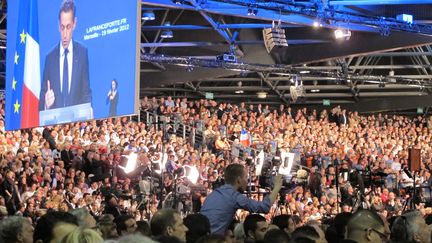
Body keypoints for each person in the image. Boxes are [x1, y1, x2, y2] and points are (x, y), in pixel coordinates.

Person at [201, 164, 283, 235]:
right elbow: (264, 207)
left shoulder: (214, 193)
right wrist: (276, 188)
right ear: (239, 180)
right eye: (246, 177)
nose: (247, 182)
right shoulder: (234, 196)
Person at [39, 0, 92, 111]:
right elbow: (42, 96)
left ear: (74, 24)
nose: (65, 34)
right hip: (55, 121)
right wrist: (46, 104)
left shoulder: (82, 53)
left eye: (68, 27)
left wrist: (89, 109)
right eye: (62, 27)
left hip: (75, 120)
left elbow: (86, 91)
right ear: (58, 26)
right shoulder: (49, 58)